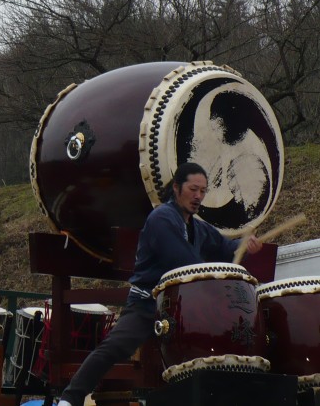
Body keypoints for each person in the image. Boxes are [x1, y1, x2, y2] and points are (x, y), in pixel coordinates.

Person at [56, 162, 263, 406]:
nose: (198, 196)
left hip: (179, 308)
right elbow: (183, 260)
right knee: (116, 347)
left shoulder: (197, 227)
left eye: (203, 191)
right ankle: (69, 399)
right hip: (147, 303)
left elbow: (226, 249)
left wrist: (244, 246)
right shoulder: (161, 218)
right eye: (193, 189)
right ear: (176, 188)